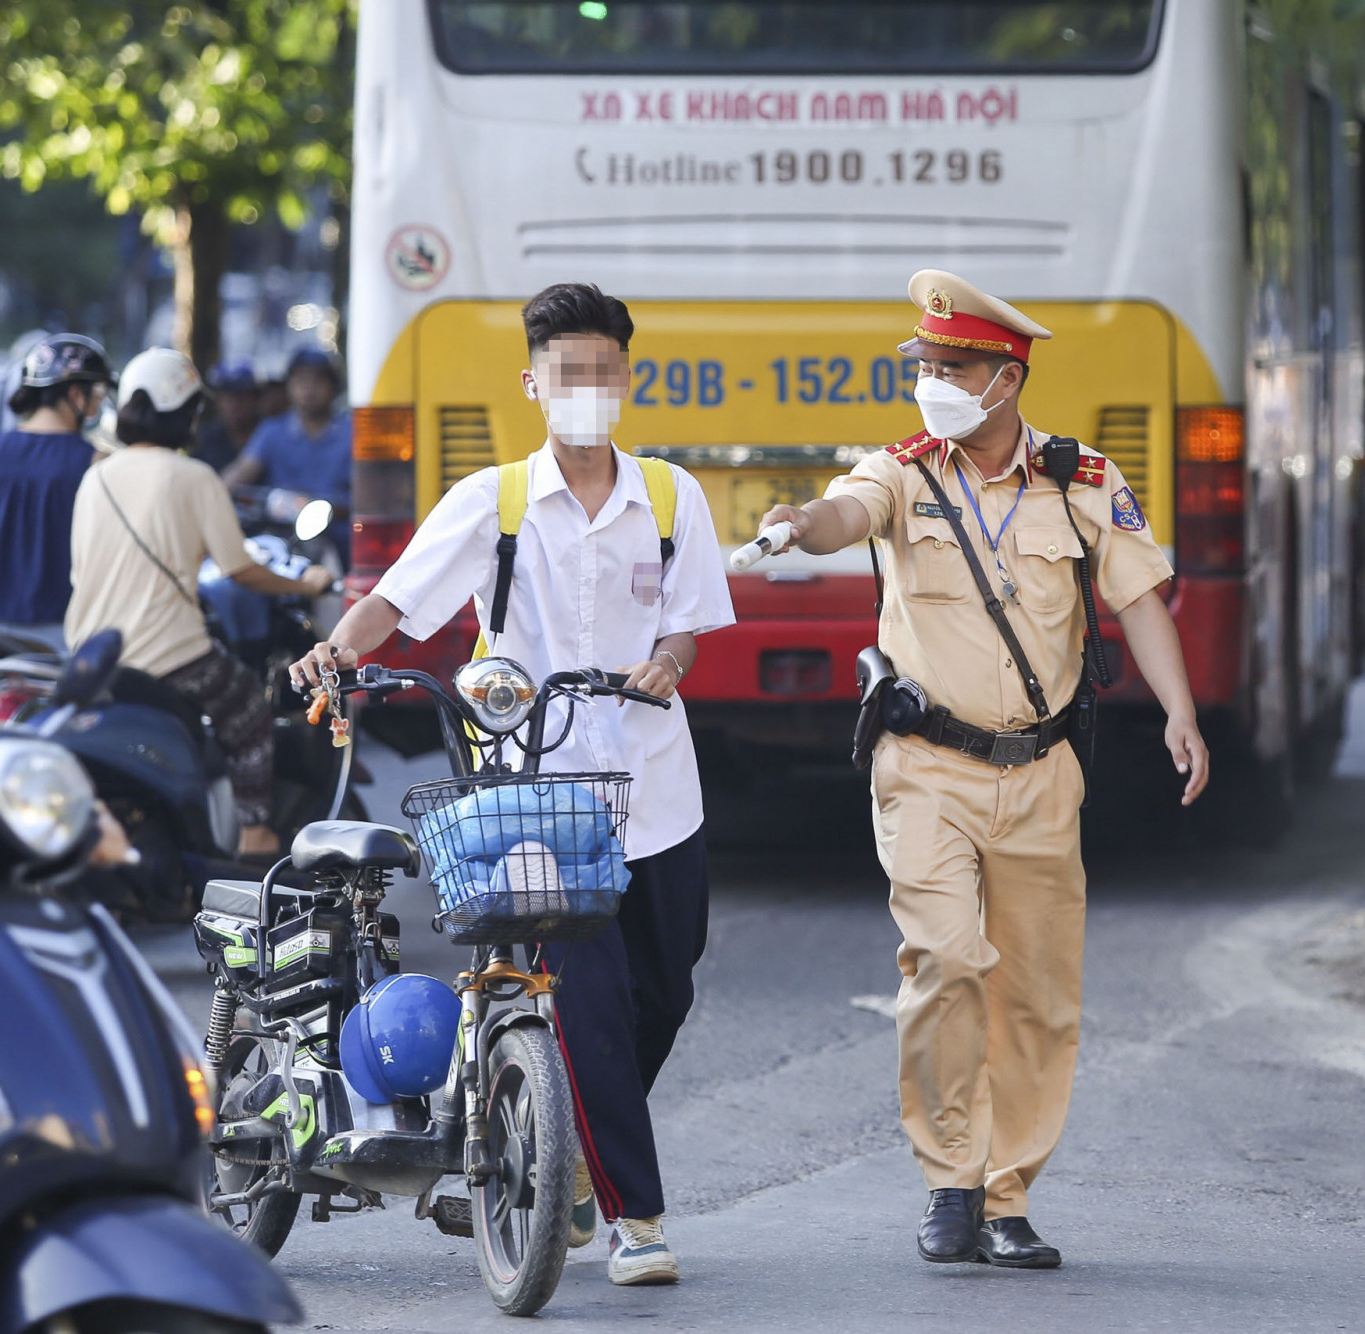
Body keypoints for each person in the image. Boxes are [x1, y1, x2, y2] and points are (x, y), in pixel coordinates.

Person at [756, 271, 1208, 1270]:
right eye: (922, 365)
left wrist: (1178, 708)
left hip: (1041, 771)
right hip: (923, 763)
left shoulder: (1079, 478)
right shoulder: (901, 472)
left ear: (1004, 378)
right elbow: (841, 512)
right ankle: (948, 1179)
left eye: (949, 366)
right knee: (946, 960)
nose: (930, 382)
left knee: (1038, 996)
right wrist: (796, 521)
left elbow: (1137, 597)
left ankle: (1007, 1196)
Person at [290, 283, 735, 1287]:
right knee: (587, 1000)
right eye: (567, 373)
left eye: (602, 371)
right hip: (531, 797)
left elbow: (687, 620)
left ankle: (568, 1141)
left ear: (627, 378)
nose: (587, 389)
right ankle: (636, 1217)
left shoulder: (670, 497)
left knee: (664, 989)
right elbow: (392, 602)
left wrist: (668, 661)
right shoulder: (488, 501)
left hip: (658, 792)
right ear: (533, 383)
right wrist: (333, 646)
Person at [66, 348, 335, 859]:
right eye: (194, 409)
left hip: (90, 657)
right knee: (251, 711)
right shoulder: (194, 477)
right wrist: (309, 585)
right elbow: (240, 571)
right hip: (169, 656)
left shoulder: (94, 476)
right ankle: (255, 834)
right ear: (182, 412)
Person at [0, 334, 113, 650]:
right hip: (53, 628)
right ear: (76, 394)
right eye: (98, 394)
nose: (98, 405)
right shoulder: (96, 463)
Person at [223, 348, 352, 558]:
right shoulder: (272, 431)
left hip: (342, 533)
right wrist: (215, 492)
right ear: (289, 387)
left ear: (334, 387)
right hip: (284, 535)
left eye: (318, 381)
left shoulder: (352, 432)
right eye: (301, 381)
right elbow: (242, 470)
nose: (309, 390)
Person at [192, 361, 261, 473]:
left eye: (241, 397)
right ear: (217, 401)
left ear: (255, 399)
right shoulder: (205, 439)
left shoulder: (269, 433)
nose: (234, 405)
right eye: (227, 399)